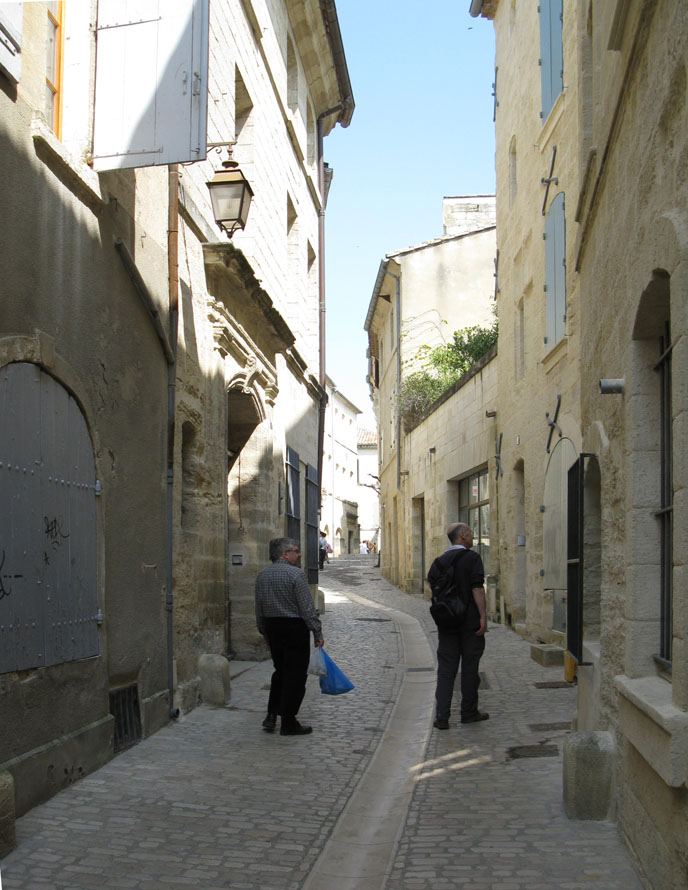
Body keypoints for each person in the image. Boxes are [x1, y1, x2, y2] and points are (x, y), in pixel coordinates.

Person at [255, 537, 324, 735]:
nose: (299, 554)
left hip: (272, 627)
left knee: (280, 672)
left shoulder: (262, 575)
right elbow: (307, 608)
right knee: (295, 676)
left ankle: (271, 715)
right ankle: (288, 721)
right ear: (285, 554)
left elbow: (258, 608)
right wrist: (317, 632)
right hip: (294, 628)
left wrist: (263, 630)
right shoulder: (296, 575)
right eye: (295, 550)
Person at [427, 522, 488, 729]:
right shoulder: (472, 558)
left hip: (447, 622)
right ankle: (469, 711)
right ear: (462, 536)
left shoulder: (438, 563)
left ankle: (442, 716)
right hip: (469, 621)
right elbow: (477, 588)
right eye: (470, 533)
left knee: (446, 669)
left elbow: (434, 589)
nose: (472, 537)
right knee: (470, 667)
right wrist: (483, 616)